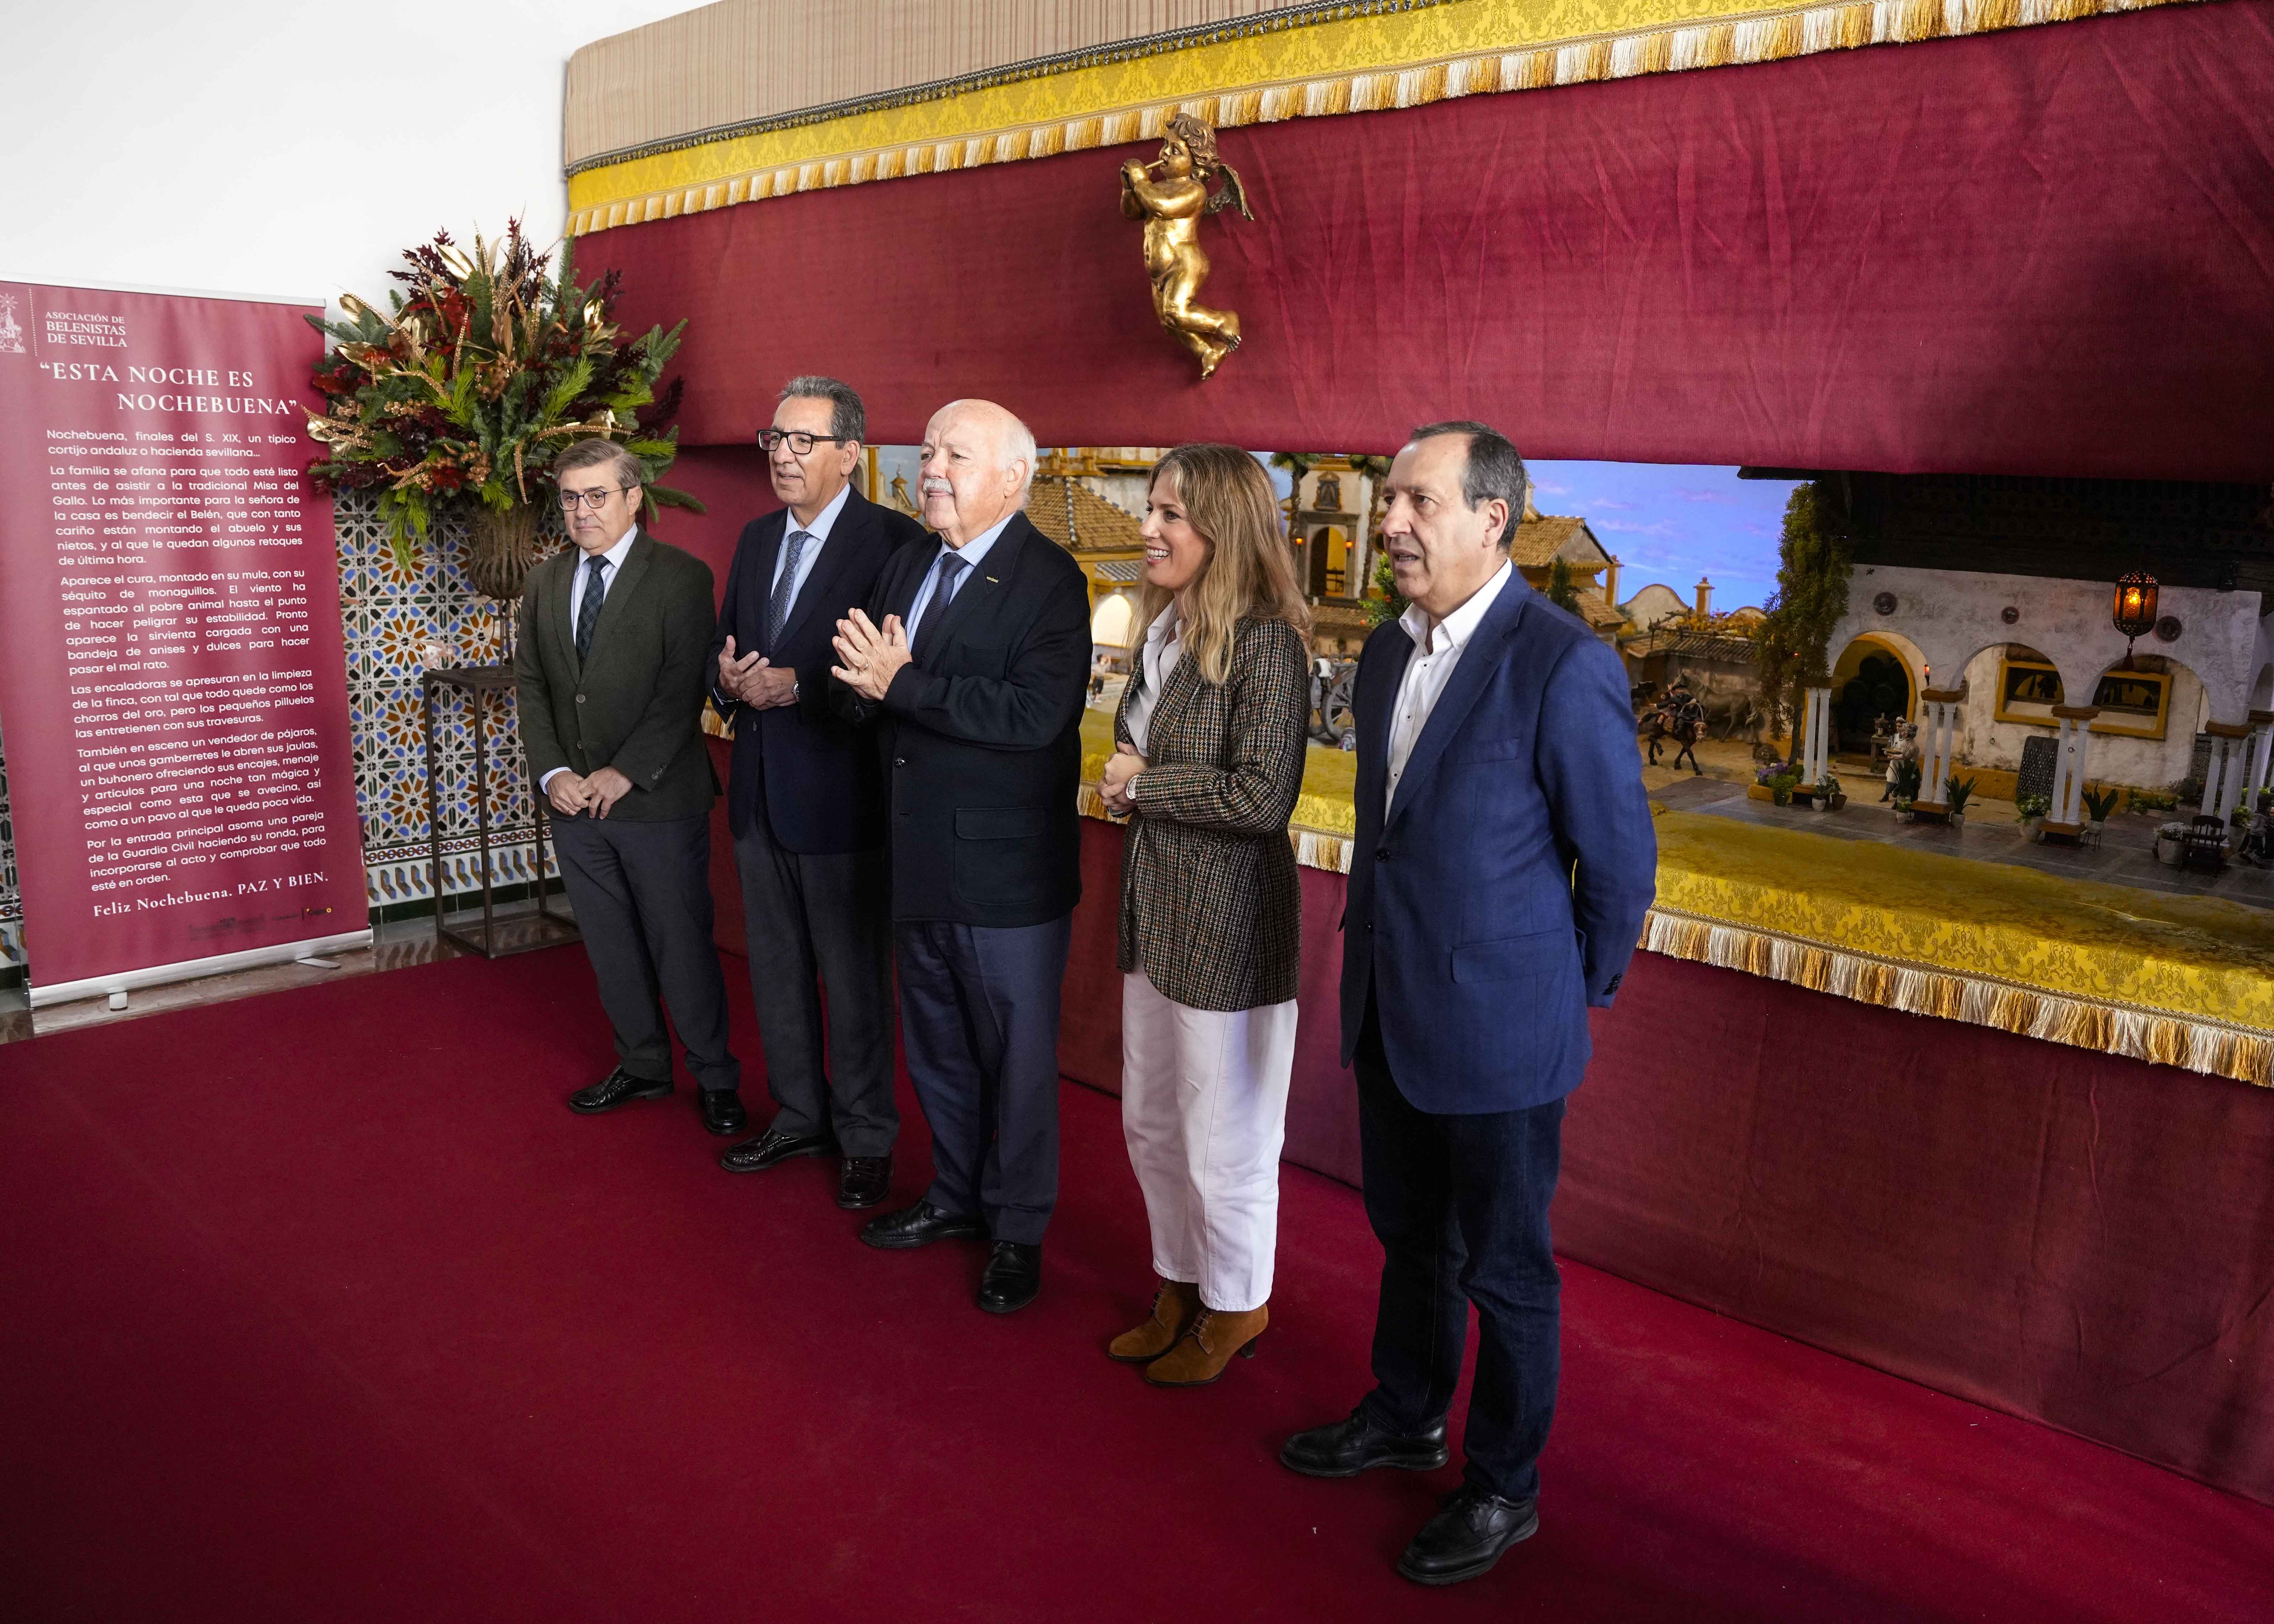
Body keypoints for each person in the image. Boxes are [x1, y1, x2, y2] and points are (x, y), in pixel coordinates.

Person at [1278, 422, 1656, 1588]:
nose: (1388, 522)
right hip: (1390, 1010)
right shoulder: (1387, 657)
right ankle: (1404, 1412)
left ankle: (1502, 1486)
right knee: (1408, 1242)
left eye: (1415, 503)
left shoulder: (1559, 662)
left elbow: (1619, 865)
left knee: (1504, 1271)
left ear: (1492, 518)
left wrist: (1560, 998)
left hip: (1502, 1033)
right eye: (1386, 500)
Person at [829, 400, 1090, 1314]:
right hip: (917, 858)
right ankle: (954, 1195)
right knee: (937, 1045)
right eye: (930, 450)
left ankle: (1017, 1229)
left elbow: (1033, 718)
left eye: (954, 454)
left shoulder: (1051, 580)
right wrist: (869, 690)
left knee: (1014, 1060)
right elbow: (871, 690)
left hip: (1006, 879)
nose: (930, 467)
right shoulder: (909, 563)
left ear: (1012, 479)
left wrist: (903, 683)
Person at [1096, 444, 1310, 1386]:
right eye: (1151, 509)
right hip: (1156, 918)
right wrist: (1130, 788)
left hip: (1228, 926)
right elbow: (1144, 763)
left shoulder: (1267, 641)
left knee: (1223, 1135)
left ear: (1221, 529)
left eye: (1169, 514)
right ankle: (1178, 1282)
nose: (1148, 527)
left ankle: (1237, 1303)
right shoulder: (1165, 629)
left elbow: (1263, 797)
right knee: (1150, 1120)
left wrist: (1149, 784)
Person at [707, 377, 925, 1210]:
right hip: (760, 795)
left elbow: (884, 683)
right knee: (777, 972)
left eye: (803, 441)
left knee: (854, 978)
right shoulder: (758, 538)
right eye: (775, 438)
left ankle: (867, 1133)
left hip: (844, 803)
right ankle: (800, 1114)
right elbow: (726, 647)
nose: (783, 456)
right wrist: (724, 679)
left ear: (851, 453)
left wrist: (799, 687)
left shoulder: (894, 544)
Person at [515, 439, 744, 1136]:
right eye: (570, 497)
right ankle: (643, 1065)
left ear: (633, 497)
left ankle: (715, 1076)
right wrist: (554, 773)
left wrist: (627, 771)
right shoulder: (545, 582)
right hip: (576, 804)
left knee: (679, 941)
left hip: (655, 798)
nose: (582, 511)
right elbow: (534, 687)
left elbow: (682, 691)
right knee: (611, 942)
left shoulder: (679, 576)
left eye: (597, 496)